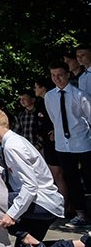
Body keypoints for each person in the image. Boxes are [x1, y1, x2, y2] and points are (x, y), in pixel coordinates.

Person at [0, 107, 90, 247]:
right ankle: (79, 245)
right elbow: (26, 173)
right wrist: (0, 169)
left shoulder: (12, 146)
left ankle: (26, 237)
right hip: (47, 204)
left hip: (42, 202)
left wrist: (11, 215)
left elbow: (30, 186)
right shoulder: (14, 141)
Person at [43, 62, 91, 228]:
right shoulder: (49, 96)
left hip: (83, 142)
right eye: (53, 75)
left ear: (68, 75)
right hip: (63, 145)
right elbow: (54, 118)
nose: (57, 79)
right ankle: (80, 213)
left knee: (89, 177)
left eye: (60, 75)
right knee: (71, 179)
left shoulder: (79, 94)